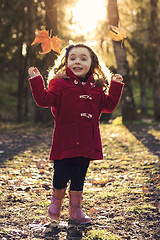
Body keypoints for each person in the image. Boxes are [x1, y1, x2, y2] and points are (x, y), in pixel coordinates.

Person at [28, 43, 124, 224]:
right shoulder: (59, 84)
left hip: (87, 140)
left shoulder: (96, 88)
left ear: (92, 63)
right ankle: (56, 202)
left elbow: (109, 105)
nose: (77, 62)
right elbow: (43, 99)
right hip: (64, 140)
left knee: (79, 175)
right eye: (73, 58)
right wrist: (36, 80)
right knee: (61, 174)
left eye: (83, 58)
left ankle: (75, 209)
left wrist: (116, 85)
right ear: (66, 62)